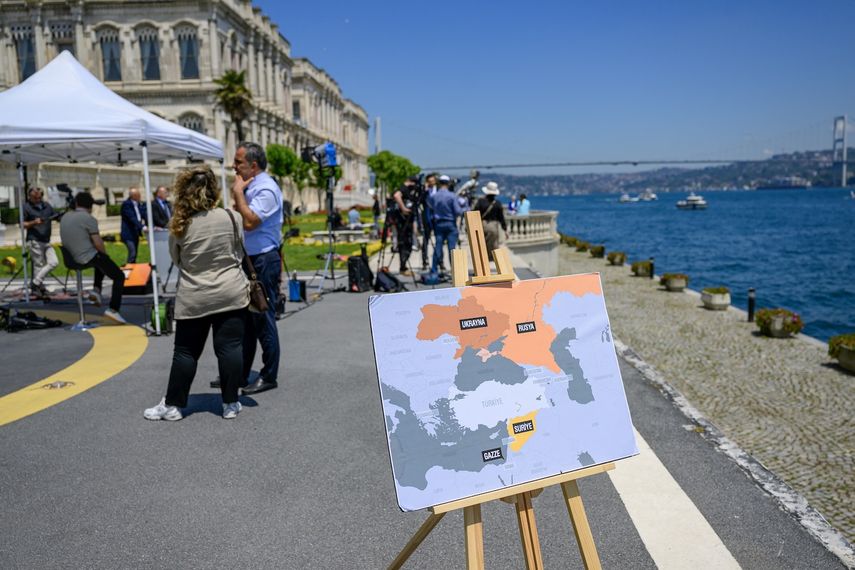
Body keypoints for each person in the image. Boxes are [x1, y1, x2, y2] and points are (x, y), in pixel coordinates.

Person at [143, 166, 250, 421]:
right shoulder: (231, 216)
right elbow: (239, 249)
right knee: (230, 348)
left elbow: (177, 260)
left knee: (186, 352)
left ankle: (173, 405)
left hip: (195, 294)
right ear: (213, 191)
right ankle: (230, 402)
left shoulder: (180, 224)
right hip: (231, 291)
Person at [229, 141, 282, 396]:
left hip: (262, 260)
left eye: (238, 162)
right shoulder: (253, 186)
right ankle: (240, 373)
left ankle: (268, 374)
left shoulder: (267, 189)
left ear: (253, 165)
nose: (234, 166)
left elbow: (249, 223)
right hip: (248, 258)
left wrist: (238, 193)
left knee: (263, 316)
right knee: (247, 320)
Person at [59, 192, 127, 324]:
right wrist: (106, 255)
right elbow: (98, 243)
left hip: (70, 258)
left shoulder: (65, 217)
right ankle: (113, 309)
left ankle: (96, 290)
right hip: (85, 258)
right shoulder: (88, 219)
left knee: (100, 260)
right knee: (118, 275)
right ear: (91, 206)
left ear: (76, 203)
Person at [22, 187, 58, 298]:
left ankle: (35, 283)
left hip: (46, 239)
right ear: (30, 197)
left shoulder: (47, 206)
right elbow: (22, 224)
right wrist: (34, 222)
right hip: (34, 239)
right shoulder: (26, 207)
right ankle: (38, 288)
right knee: (38, 264)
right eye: (35, 198)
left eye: (39, 197)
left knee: (53, 262)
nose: (38, 199)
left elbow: (55, 216)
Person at [427, 174, 463, 275]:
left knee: (438, 247)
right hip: (450, 223)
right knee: (452, 249)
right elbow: (458, 211)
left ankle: (434, 270)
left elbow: (431, 207)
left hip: (438, 224)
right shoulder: (452, 196)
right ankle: (455, 272)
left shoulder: (434, 196)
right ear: (448, 183)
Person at [474, 182, 509, 262]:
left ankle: (482, 260)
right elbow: (501, 218)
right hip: (493, 225)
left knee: (481, 243)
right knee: (494, 244)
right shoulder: (497, 204)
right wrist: (505, 229)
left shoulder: (480, 202)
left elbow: (474, 213)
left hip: (481, 224)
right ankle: (491, 259)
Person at [391, 176, 419, 276]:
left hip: (404, 221)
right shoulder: (403, 188)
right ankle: (403, 267)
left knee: (406, 243)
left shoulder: (405, 188)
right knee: (405, 243)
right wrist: (403, 208)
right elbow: (396, 195)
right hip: (402, 221)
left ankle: (403, 266)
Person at [120, 187, 146, 264]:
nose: (140, 196)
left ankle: (133, 270)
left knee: (135, 255)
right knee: (132, 253)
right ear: (133, 196)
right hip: (128, 234)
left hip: (135, 233)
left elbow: (143, 215)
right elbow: (132, 218)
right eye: (138, 195)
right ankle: (128, 271)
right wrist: (142, 227)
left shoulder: (138, 204)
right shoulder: (126, 204)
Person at [419, 173, 438, 270]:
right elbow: (420, 201)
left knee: (439, 240)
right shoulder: (424, 191)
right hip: (427, 218)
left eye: (432, 181)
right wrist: (425, 190)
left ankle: (440, 261)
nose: (431, 183)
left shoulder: (438, 190)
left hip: (437, 218)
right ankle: (424, 260)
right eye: (429, 181)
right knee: (425, 240)